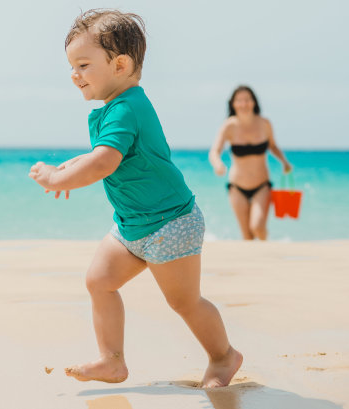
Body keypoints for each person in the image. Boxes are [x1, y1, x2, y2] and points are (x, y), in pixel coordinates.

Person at [28, 9, 242, 388]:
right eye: (71, 66)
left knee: (184, 302)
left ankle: (224, 357)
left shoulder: (127, 108)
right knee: (99, 281)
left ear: (121, 64)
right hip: (132, 226)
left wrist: (54, 176)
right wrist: (66, 170)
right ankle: (112, 360)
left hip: (169, 224)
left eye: (82, 64)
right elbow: (97, 155)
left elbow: (103, 163)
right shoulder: (117, 108)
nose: (74, 75)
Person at [209, 86, 292, 240]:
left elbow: (272, 146)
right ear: (233, 104)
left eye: (247, 100)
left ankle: (266, 250)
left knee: (258, 227)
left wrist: (284, 161)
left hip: (262, 185)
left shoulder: (264, 123)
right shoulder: (229, 125)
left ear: (254, 102)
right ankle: (259, 261)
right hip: (237, 187)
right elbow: (214, 151)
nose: (244, 104)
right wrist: (218, 164)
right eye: (239, 100)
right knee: (247, 236)